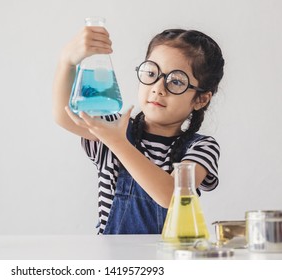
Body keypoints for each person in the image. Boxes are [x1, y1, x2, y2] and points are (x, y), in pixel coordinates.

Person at [52, 26, 224, 234]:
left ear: (201, 99)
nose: (158, 88)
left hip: (169, 259)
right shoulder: (114, 128)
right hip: (112, 262)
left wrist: (118, 143)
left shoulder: (201, 147)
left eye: (176, 81)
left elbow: (172, 195)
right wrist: (67, 62)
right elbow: (64, 115)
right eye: (151, 73)